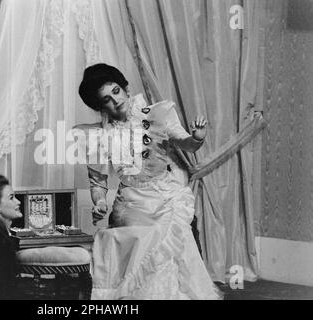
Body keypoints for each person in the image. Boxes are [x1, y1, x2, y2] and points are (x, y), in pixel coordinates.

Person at [76, 63, 222, 300]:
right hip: (131, 203)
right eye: (106, 100)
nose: (115, 101)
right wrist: (100, 202)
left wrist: (197, 138)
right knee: (145, 242)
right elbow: (98, 182)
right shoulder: (99, 136)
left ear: (125, 88)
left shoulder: (158, 114)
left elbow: (185, 143)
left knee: (171, 240)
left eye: (116, 91)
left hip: (165, 196)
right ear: (99, 107)